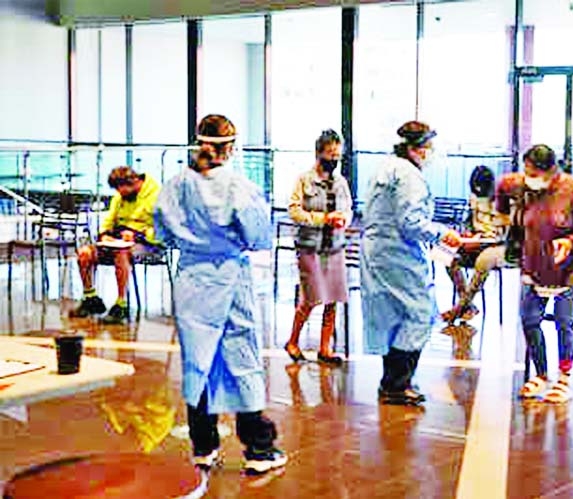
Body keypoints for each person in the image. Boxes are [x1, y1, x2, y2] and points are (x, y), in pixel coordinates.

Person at [154, 114, 287, 476]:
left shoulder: (176, 185)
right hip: (229, 277)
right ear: (230, 147)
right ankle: (258, 447)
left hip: (191, 280)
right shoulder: (237, 186)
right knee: (241, 357)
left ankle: (203, 445)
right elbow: (258, 235)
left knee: (198, 361)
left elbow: (161, 231)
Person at [361, 120, 461, 406]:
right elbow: (410, 222)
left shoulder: (385, 167)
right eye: (428, 147)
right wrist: (443, 233)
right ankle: (397, 384)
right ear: (417, 149)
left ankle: (390, 381)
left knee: (392, 318)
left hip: (379, 252)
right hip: (398, 254)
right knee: (419, 314)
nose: (431, 153)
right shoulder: (410, 177)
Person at [496, 144, 573, 404]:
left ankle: (564, 378)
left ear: (550, 170)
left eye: (533, 171)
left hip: (566, 270)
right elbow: (501, 187)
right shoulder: (520, 185)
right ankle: (541, 374)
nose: (527, 176)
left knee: (563, 322)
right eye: (525, 170)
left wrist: (572, 241)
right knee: (529, 320)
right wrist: (504, 218)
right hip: (533, 267)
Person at [284, 129, 353, 366]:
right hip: (309, 247)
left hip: (334, 247)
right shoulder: (304, 180)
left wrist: (343, 219)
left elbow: (349, 210)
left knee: (333, 299)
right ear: (319, 153)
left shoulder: (341, 182)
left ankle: (325, 348)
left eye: (337, 155)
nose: (334, 159)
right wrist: (322, 218)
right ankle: (292, 341)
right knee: (311, 299)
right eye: (330, 154)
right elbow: (294, 211)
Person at [69, 166, 161, 324]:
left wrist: (138, 234)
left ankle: (121, 305)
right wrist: (105, 234)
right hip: (119, 241)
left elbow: (164, 229)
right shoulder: (120, 196)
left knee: (122, 253)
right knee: (84, 253)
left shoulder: (158, 195)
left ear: (134, 182)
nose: (120, 193)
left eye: (122, 189)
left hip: (149, 244)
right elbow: (109, 221)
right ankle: (91, 298)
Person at [441, 165, 509, 324]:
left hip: (495, 246)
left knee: (483, 261)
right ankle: (468, 305)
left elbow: (505, 234)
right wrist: (467, 234)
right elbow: (469, 222)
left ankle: (458, 308)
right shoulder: (474, 196)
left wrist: (481, 238)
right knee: (446, 255)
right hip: (474, 242)